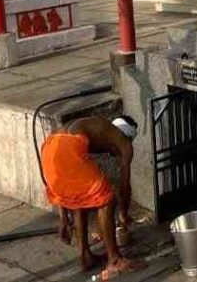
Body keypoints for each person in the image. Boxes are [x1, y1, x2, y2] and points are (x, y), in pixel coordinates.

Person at [40, 115, 145, 279]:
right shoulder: (123, 142)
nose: (115, 155)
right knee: (106, 198)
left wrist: (64, 220)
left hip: (49, 148)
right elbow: (125, 186)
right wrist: (123, 215)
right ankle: (114, 260)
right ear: (128, 136)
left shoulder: (97, 129)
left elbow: (67, 187)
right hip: (65, 148)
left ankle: (85, 256)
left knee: (82, 196)